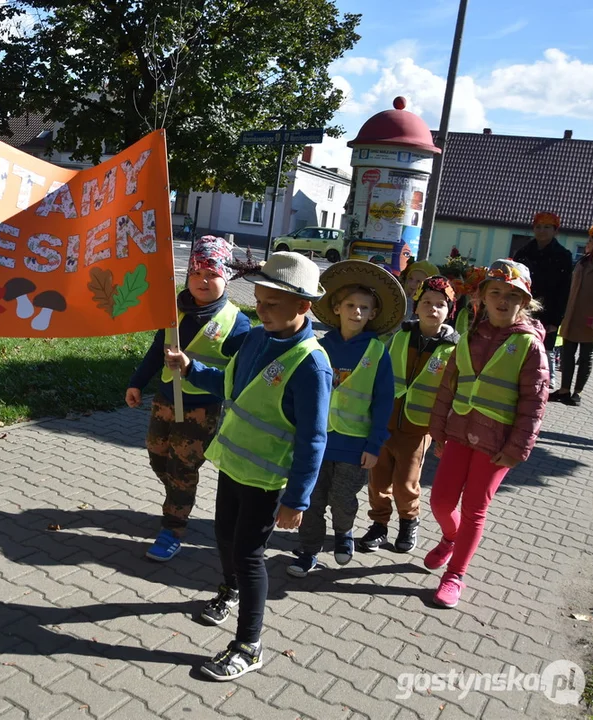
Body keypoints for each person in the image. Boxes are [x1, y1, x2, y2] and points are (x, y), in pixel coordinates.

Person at [164, 252, 332, 682]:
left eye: (274, 304)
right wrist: (191, 368)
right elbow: (231, 384)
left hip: (267, 478)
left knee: (249, 554)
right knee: (223, 537)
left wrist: (297, 499)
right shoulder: (256, 338)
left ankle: (249, 645)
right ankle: (229, 589)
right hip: (233, 463)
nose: (264, 310)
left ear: (304, 306)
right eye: (259, 300)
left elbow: (314, 438)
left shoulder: (312, 364)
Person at [427, 259, 547, 609]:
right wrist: (437, 431)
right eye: (495, 292)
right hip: (459, 432)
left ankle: (455, 575)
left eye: (513, 295)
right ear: (481, 297)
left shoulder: (530, 346)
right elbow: (448, 387)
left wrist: (517, 450)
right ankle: (452, 537)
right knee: (441, 501)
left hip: (497, 445)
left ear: (524, 303)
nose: (503, 300)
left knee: (475, 509)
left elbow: (534, 404)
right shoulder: (469, 337)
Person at [126, 236, 250, 561]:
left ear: (228, 277)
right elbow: (157, 350)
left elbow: (238, 379)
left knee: (183, 467)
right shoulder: (175, 311)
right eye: (196, 273)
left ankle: (173, 526)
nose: (202, 281)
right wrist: (137, 382)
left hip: (201, 409)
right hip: (165, 401)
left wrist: (193, 367)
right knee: (158, 456)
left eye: (211, 274)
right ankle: (179, 497)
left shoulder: (237, 324)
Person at [289, 261, 402, 577]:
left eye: (364, 308)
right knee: (311, 500)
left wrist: (375, 444)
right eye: (350, 305)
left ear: (372, 314)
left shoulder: (377, 352)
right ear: (336, 308)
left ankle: (343, 533)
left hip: (355, 446)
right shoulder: (320, 347)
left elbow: (383, 402)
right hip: (318, 441)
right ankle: (307, 551)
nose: (356, 312)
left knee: (342, 499)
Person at [359, 276, 459, 554]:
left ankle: (408, 521)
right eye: (426, 302)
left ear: (449, 311)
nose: (432, 309)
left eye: (440, 304)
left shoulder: (453, 349)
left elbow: (452, 393)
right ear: (416, 307)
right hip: (384, 422)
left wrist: (443, 432)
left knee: (405, 484)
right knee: (378, 480)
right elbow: (379, 373)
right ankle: (379, 526)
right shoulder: (400, 336)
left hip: (418, 428)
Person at [513, 212, 573, 378]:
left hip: (548, 311)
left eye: (547, 227)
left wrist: (556, 321)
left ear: (556, 231)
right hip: (523, 308)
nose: (542, 231)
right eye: (538, 227)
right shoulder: (523, 253)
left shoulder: (563, 256)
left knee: (543, 352)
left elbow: (565, 290)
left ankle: (543, 382)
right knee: (519, 346)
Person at [552, 225, 593, 407]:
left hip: (591, 320)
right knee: (567, 353)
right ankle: (564, 390)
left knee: (586, 356)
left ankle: (577, 392)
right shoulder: (583, 262)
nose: (587, 244)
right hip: (573, 314)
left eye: (590, 241)